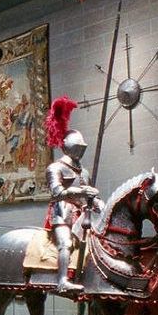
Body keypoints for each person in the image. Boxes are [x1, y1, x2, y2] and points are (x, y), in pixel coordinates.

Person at [44, 96, 100, 296]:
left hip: (82, 216)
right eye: (78, 147)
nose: (81, 150)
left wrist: (99, 203)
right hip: (62, 215)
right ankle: (62, 281)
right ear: (67, 146)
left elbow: (89, 196)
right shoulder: (55, 168)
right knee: (65, 243)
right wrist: (82, 192)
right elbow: (57, 192)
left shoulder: (84, 172)